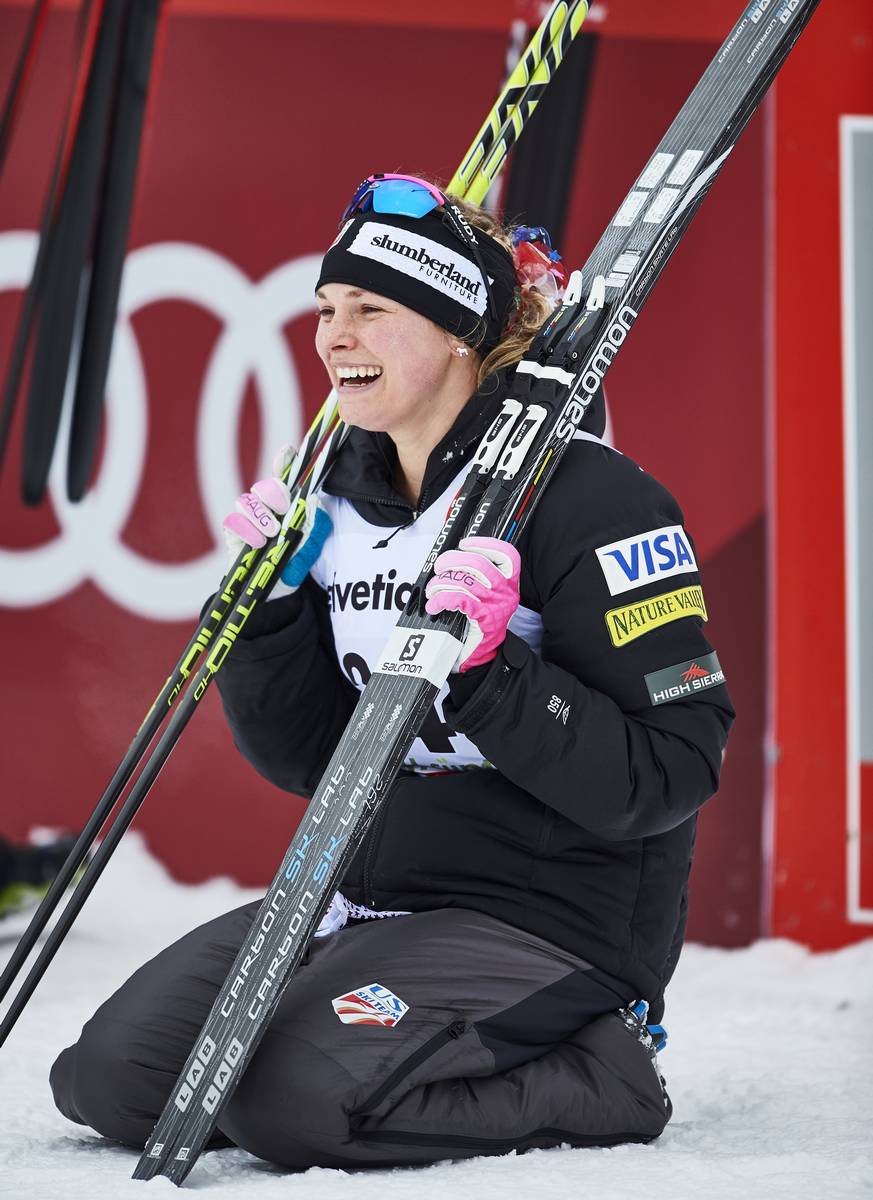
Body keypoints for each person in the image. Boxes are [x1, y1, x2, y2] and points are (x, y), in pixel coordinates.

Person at [50, 175, 734, 1170]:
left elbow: (671, 773)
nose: (335, 336)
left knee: (295, 1105)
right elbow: (312, 761)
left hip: (545, 917)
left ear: (458, 328)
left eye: (372, 310)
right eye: (327, 309)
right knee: (113, 1078)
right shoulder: (340, 499)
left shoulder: (593, 499)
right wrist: (271, 613)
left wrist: (494, 671)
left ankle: (604, 1073)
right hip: (370, 896)